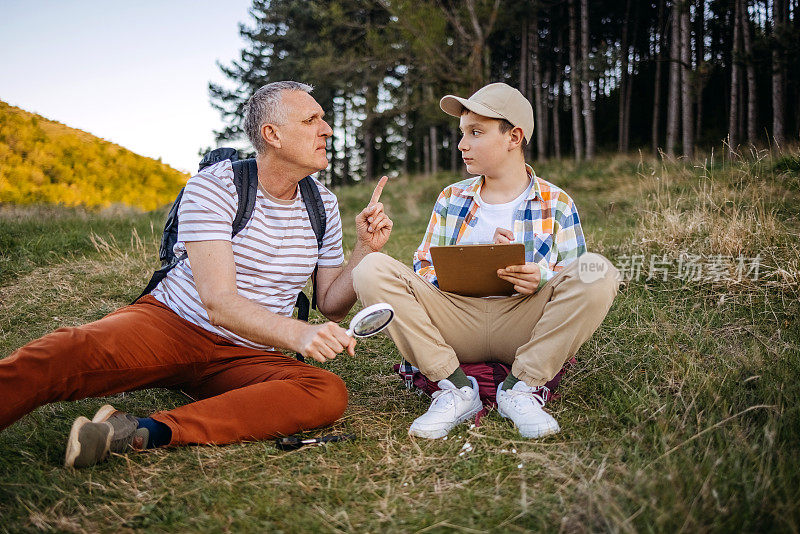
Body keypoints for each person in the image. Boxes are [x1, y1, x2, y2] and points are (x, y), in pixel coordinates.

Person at [0, 81, 393, 468]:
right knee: (64, 352)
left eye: (323, 119)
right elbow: (218, 303)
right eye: (311, 120)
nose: (326, 129)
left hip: (250, 353)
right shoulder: (216, 185)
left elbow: (332, 305)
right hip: (174, 325)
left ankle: (144, 431)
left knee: (325, 392)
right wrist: (299, 333)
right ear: (271, 134)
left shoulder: (321, 203)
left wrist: (365, 249)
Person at [352, 82, 619, 440]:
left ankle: (521, 388)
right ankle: (455, 388)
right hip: (455, 321)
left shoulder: (557, 202)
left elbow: (577, 273)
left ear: (514, 137)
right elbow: (424, 268)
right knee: (370, 268)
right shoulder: (451, 198)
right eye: (462, 133)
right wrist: (472, 256)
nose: (462, 145)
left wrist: (540, 277)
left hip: (523, 324)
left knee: (599, 270)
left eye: (475, 133)